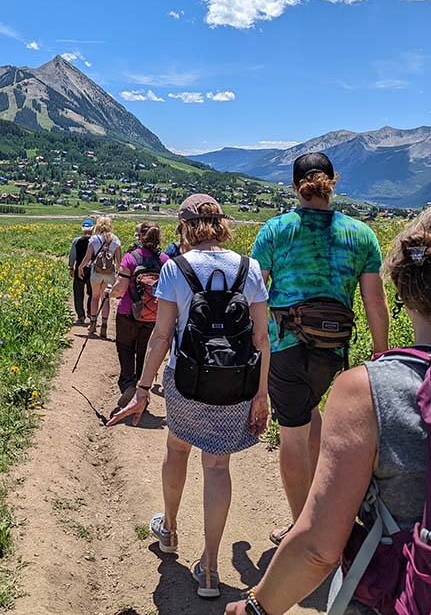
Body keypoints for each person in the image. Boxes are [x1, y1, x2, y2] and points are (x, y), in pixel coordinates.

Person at [225, 202, 431, 615]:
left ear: (404, 285)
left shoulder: (367, 391)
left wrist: (254, 607)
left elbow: (318, 551)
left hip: (408, 593)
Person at [108, 194, 271, 600]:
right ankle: (211, 568)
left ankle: (170, 530)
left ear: (184, 226)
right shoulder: (249, 269)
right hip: (236, 384)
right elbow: (262, 339)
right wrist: (261, 394)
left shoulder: (175, 269)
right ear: (221, 224)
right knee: (218, 467)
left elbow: (162, 337)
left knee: (176, 449)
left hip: (186, 380)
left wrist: (141, 389)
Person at [251, 152, 389, 546]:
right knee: (309, 414)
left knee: (292, 434)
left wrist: (253, 345)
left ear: (295, 186)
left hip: (286, 346)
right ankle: (319, 509)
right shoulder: (361, 234)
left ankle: (303, 532)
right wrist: (381, 358)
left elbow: (255, 294)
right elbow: (374, 303)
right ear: (333, 182)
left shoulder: (276, 231)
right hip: (333, 350)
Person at [110, 221, 168, 408]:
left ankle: (128, 384)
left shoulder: (130, 258)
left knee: (125, 348)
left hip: (128, 312)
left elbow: (120, 288)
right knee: (145, 352)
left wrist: (109, 293)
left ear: (140, 237)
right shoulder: (165, 260)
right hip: (153, 316)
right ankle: (141, 389)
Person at [77, 216, 122, 339]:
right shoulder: (116, 240)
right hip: (110, 274)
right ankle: (104, 325)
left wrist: (80, 268)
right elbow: (119, 261)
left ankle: (92, 324)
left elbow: (87, 258)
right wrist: (119, 275)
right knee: (106, 299)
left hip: (96, 273)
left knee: (95, 298)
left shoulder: (94, 239)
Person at [68, 219, 96, 325]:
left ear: (82, 229)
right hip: (92, 270)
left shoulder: (77, 240)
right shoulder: (95, 240)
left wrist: (71, 267)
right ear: (92, 229)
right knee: (92, 293)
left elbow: (72, 256)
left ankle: (80, 316)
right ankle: (90, 311)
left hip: (80, 269)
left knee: (78, 293)